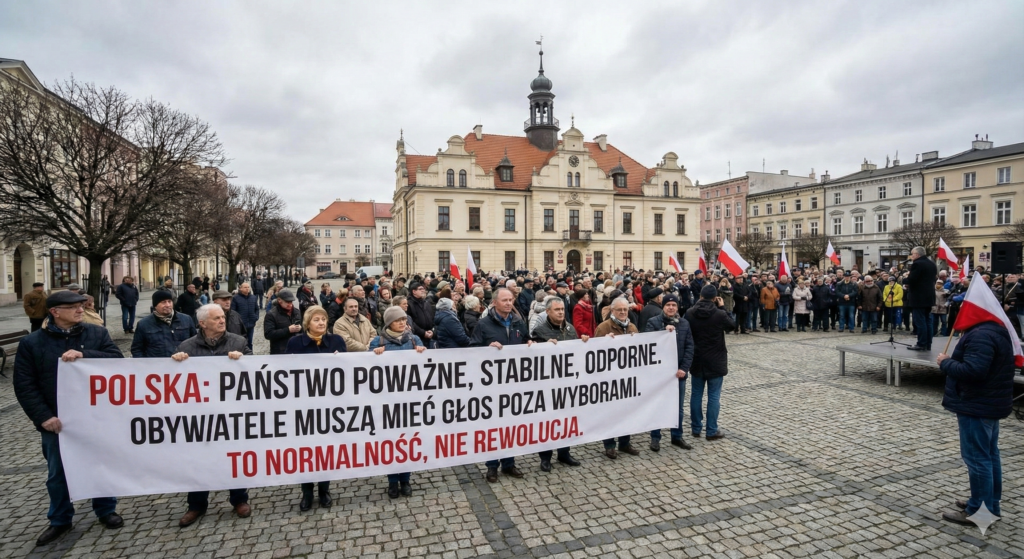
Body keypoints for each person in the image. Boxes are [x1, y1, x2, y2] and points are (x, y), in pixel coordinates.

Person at [13, 290, 125, 546]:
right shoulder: (32, 343)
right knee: (58, 473)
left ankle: (106, 509)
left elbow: (117, 361)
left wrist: (85, 355)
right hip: (57, 422)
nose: (80, 309)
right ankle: (60, 519)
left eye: (81, 305)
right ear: (55, 312)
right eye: (73, 307)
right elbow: (25, 385)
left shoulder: (96, 333)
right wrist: (44, 417)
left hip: (96, 417)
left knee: (100, 464)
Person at [171, 304, 252, 527]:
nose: (222, 320)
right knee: (200, 459)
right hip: (201, 415)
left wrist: (244, 360)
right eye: (216, 318)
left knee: (234, 456)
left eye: (222, 317)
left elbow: (255, 371)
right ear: (202, 323)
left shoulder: (238, 342)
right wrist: (175, 361)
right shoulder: (187, 346)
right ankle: (196, 505)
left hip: (231, 413)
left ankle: (239, 499)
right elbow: (175, 380)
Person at [935, 319, 1016, 525]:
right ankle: (989, 504)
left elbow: (974, 371)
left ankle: (980, 511)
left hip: (976, 405)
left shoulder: (980, 335)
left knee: (978, 458)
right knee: (989, 455)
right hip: (986, 403)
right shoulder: (993, 330)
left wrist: (946, 362)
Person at [286, 306, 346, 510]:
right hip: (304, 406)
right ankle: (307, 492)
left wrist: (341, 361)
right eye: (316, 320)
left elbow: (348, 371)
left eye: (323, 319)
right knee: (306, 450)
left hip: (329, 405)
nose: (321, 323)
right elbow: (285, 372)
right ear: (307, 323)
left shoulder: (337, 341)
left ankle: (324, 489)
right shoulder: (295, 343)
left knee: (325, 449)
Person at [470, 288, 532, 481]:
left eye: (511, 300)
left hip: (514, 383)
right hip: (492, 386)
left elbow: (526, 339)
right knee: (493, 427)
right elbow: (472, 349)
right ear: (494, 302)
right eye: (504, 300)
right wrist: (486, 348)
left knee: (510, 425)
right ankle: (491, 466)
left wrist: (530, 343)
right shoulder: (483, 324)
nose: (508, 303)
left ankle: (508, 463)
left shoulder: (518, 322)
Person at [369, 306, 426, 497]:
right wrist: (374, 354)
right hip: (388, 401)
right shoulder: (378, 341)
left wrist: (422, 351)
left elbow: (424, 366)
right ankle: (393, 481)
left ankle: (405, 480)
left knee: (407, 441)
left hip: (409, 401)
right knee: (391, 442)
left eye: (403, 319)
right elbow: (367, 368)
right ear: (389, 323)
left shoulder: (413, 339)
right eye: (397, 320)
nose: (402, 323)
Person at [530, 296, 585, 471]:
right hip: (547, 384)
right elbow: (532, 356)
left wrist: (583, 342)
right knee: (547, 421)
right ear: (548, 311)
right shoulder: (540, 331)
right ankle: (545, 457)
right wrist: (543, 346)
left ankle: (564, 452)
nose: (561, 312)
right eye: (557, 310)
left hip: (567, 383)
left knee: (566, 418)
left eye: (562, 309)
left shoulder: (570, 329)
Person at [643, 293, 694, 452]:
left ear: (677, 307)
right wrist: (662, 332)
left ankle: (677, 436)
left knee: (678, 407)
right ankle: (655, 437)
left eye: (674, 305)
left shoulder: (684, 323)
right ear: (663, 306)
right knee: (657, 405)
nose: (671, 308)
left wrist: (683, 368)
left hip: (678, 374)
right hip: (659, 374)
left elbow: (689, 347)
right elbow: (647, 344)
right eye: (668, 305)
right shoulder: (653, 322)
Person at [685, 285, 736, 440]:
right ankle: (711, 430)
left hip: (697, 358)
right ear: (715, 298)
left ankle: (696, 428)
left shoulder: (690, 313)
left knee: (696, 394)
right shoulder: (719, 314)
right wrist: (723, 307)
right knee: (713, 396)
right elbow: (732, 325)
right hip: (715, 359)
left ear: (700, 296)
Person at [131, 291, 197, 358]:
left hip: (183, 361)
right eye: (163, 302)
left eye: (169, 301)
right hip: (157, 363)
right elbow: (137, 349)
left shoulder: (186, 319)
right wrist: (144, 363)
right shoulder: (144, 324)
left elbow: (195, 342)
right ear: (155, 305)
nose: (168, 305)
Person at [907, 246, 938, 350]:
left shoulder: (917, 264)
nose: (911, 256)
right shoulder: (931, 263)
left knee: (920, 321)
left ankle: (921, 343)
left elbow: (912, 280)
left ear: (917, 254)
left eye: (912, 254)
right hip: (929, 296)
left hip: (918, 297)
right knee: (928, 321)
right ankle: (928, 343)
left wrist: (905, 279)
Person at [263, 289, 302, 354]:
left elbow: (306, 329)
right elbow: (268, 334)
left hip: (296, 349)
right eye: (287, 302)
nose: (290, 304)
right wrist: (287, 330)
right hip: (280, 351)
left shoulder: (297, 312)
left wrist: (301, 328)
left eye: (291, 302)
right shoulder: (271, 314)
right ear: (279, 300)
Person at [230, 282, 260, 349]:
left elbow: (257, 309)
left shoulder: (253, 297)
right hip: (240, 325)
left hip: (251, 324)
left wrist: (255, 317)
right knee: (240, 342)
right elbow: (233, 311)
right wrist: (237, 321)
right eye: (245, 287)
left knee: (250, 342)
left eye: (248, 287)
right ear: (240, 288)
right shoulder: (235, 298)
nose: (247, 289)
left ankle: (250, 354)